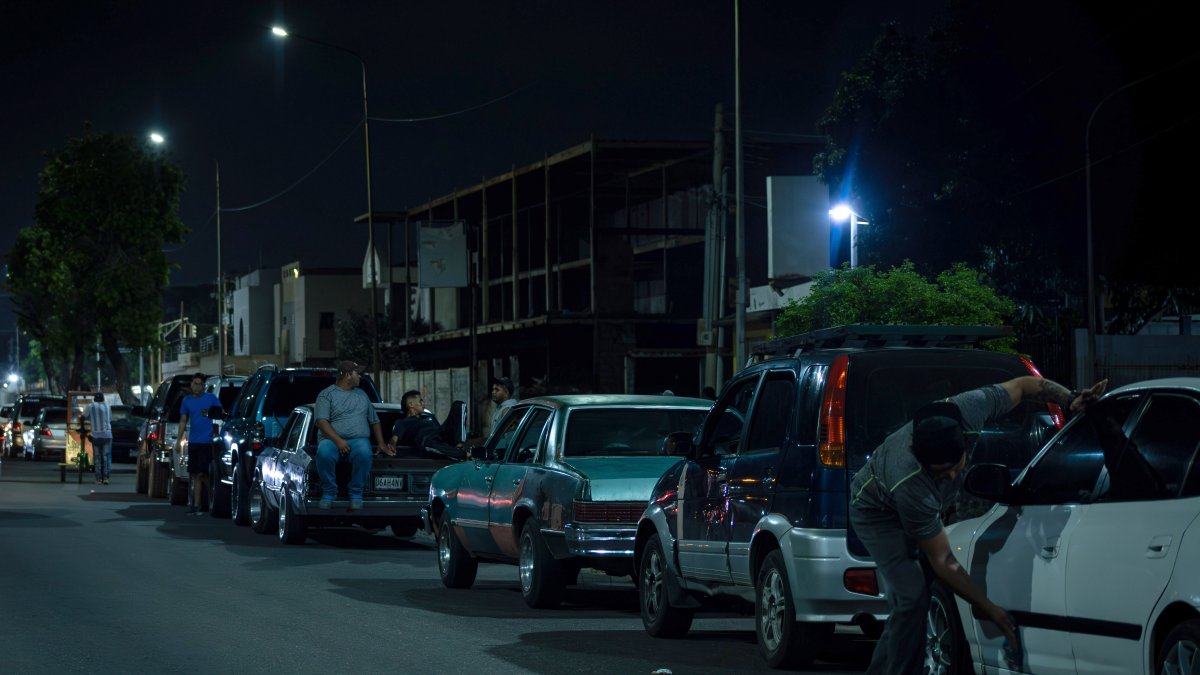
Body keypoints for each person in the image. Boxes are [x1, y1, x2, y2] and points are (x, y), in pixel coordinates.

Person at [849, 375, 1107, 674]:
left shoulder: (971, 408)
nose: (949, 477)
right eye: (940, 474)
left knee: (907, 608)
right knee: (911, 597)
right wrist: (991, 610)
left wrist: (1070, 398)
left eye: (953, 468)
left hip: (918, 504)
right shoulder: (910, 480)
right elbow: (944, 560)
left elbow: (1025, 386)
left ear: (964, 443)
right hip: (877, 512)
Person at [314, 360, 394, 511]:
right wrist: (338, 441)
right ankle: (329, 491)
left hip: (359, 440)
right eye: (358, 373)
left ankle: (356, 493)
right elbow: (321, 422)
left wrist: (381, 444)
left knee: (365, 453)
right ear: (347, 374)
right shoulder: (326, 395)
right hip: (331, 439)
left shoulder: (362, 394)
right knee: (324, 453)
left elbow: (374, 421)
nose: (360, 377)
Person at [176, 372, 222, 515]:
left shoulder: (211, 398)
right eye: (195, 383)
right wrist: (179, 440)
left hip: (206, 442)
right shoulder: (187, 401)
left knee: (203, 473)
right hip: (193, 441)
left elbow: (220, 413)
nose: (197, 386)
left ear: (204, 386)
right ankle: (196, 505)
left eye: (200, 384)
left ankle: (214, 497)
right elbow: (183, 420)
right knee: (195, 475)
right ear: (191, 385)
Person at [80, 392, 112, 485]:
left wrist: (83, 430)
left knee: (97, 457)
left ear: (94, 399)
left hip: (95, 436)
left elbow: (82, 417)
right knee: (106, 457)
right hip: (107, 435)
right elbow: (110, 419)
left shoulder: (90, 406)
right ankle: (106, 478)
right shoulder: (108, 406)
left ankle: (98, 479)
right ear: (103, 399)